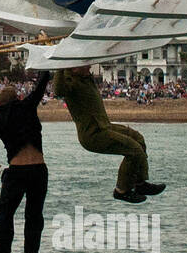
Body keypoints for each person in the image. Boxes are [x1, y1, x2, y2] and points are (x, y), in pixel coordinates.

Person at [53, 65, 164, 204]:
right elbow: (58, 90)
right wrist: (60, 66)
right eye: (85, 64)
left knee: (138, 139)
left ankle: (139, 183)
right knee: (134, 150)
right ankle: (122, 190)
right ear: (74, 68)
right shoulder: (70, 82)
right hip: (93, 134)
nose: (89, 66)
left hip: (104, 126)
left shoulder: (85, 78)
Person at [0, 70, 52, 253]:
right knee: (34, 215)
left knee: (5, 215)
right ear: (18, 98)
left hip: (17, 172)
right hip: (39, 170)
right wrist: (45, 68)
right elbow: (40, 88)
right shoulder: (28, 106)